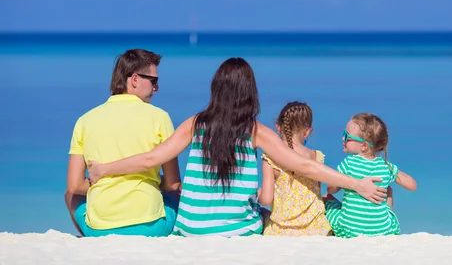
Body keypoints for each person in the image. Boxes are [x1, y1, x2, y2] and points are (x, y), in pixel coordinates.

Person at [88, 57, 387, 237]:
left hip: (190, 230)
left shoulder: (195, 124)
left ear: (216, 88)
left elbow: (151, 158)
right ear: (249, 92)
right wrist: (355, 184)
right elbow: (304, 165)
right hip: (237, 232)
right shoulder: (254, 130)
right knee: (267, 218)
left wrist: (104, 169)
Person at [65, 49, 181, 237]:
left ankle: (91, 238)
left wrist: (104, 181)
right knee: (175, 194)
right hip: (151, 226)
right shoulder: (160, 118)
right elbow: (173, 183)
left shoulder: (85, 121)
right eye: (153, 81)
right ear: (134, 79)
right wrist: (151, 180)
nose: (156, 88)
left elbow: (74, 186)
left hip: (100, 230)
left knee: (70, 196)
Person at [324, 113, 417, 238]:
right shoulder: (386, 166)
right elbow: (412, 185)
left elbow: (331, 189)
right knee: (388, 189)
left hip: (349, 230)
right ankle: (379, 221)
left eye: (347, 136)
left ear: (364, 146)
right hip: (383, 230)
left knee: (327, 198)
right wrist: (393, 172)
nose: (342, 139)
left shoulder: (348, 163)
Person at [258, 101, 331, 236]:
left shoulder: (269, 159)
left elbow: (266, 199)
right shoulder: (316, 157)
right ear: (308, 131)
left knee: (261, 212)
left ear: (278, 127)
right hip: (317, 229)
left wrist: (258, 195)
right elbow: (317, 192)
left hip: (282, 231)